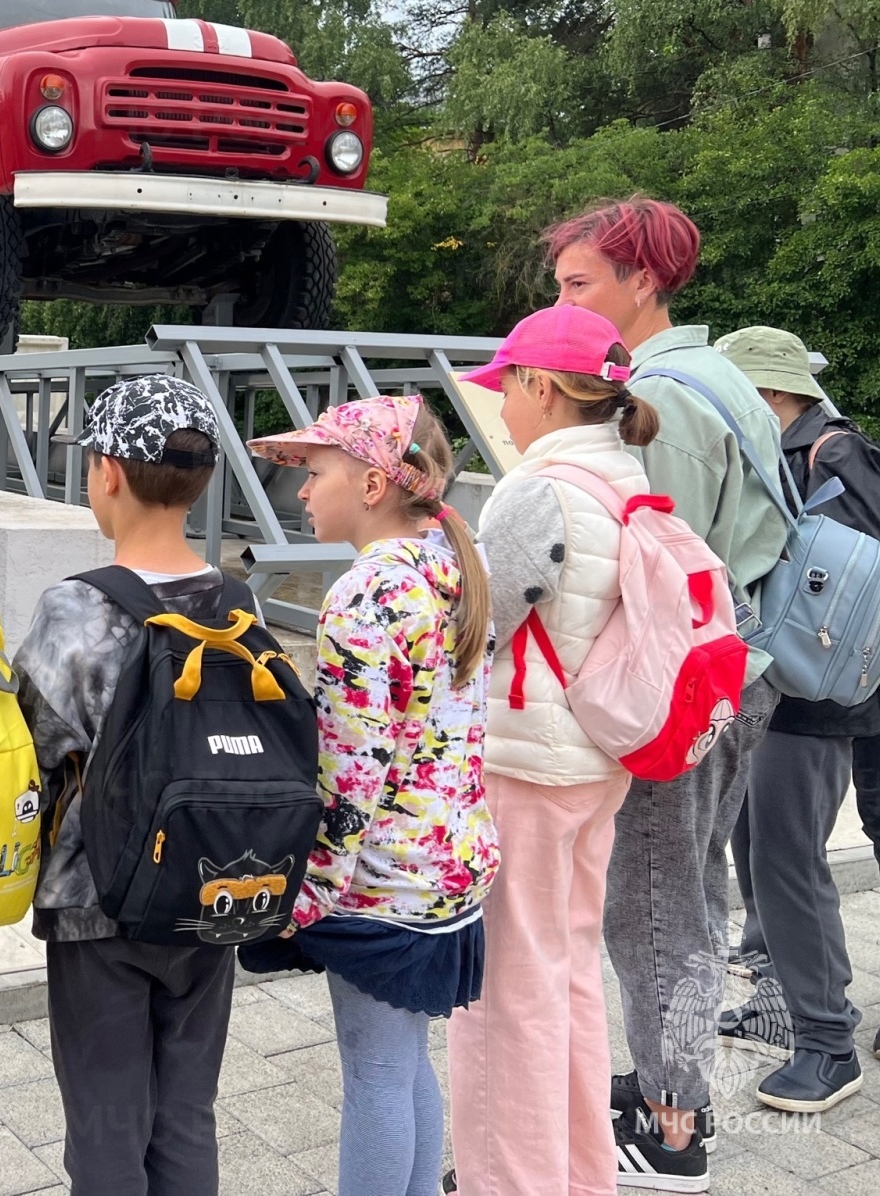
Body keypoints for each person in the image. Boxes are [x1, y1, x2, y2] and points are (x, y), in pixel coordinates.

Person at [548, 197, 790, 1188]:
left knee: (650, 910)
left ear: (640, 284)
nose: (561, 302)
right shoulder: (717, 376)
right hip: (737, 675)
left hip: (687, 689)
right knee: (685, 892)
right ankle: (667, 1079)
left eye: (577, 284)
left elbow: (656, 580)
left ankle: (669, 1127)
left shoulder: (664, 399)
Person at [249, 396, 496, 1196]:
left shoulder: (364, 596)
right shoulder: (449, 568)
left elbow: (352, 771)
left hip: (381, 882)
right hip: (447, 864)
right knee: (404, 1060)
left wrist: (310, 893)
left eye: (317, 472)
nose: (301, 492)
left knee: (377, 1074)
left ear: (372, 483)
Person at [447, 307, 661, 1196]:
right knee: (568, 974)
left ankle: (512, 1180)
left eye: (509, 389)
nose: (503, 409)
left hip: (523, 764)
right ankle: (578, 1176)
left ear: (543, 386)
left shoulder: (542, 488)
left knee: (504, 995)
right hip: (592, 761)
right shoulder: (623, 479)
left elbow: (471, 628)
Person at [13, 376, 242, 1196]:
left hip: (97, 905)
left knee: (108, 1125)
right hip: (213, 891)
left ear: (107, 472)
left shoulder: (74, 611)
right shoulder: (238, 605)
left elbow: (32, 749)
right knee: (187, 1111)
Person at [717, 325, 880, 1106]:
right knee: (758, 849)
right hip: (770, 685)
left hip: (807, 694)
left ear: (765, 392)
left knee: (787, 861)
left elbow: (869, 580)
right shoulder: (792, 450)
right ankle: (784, 1008)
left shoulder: (832, 453)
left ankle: (828, 1044)